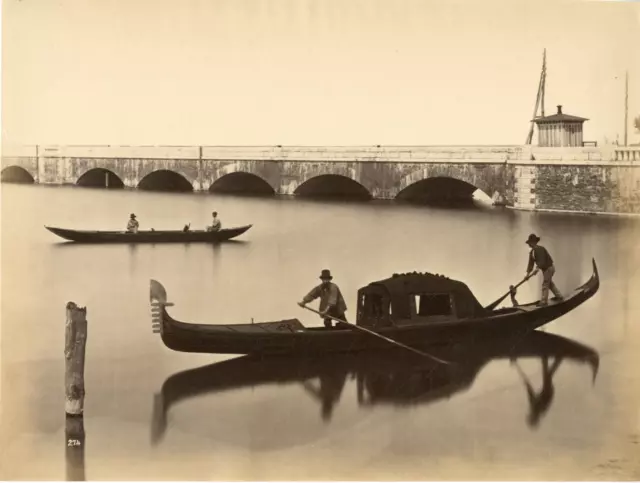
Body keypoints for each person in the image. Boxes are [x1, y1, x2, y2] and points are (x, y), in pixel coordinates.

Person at [525, 233, 563, 306]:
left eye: (530, 242)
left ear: (534, 242)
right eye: (529, 243)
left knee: (545, 284)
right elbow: (530, 265)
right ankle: (559, 296)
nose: (529, 244)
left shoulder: (540, 249)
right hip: (546, 270)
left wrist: (537, 269)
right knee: (549, 283)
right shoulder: (532, 252)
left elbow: (542, 261)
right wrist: (527, 275)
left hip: (549, 268)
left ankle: (544, 301)